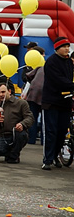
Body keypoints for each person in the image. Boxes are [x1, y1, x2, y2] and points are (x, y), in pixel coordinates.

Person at [41, 37, 74, 170]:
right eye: (64, 46)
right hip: (51, 102)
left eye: (68, 46)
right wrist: (72, 85)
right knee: (51, 131)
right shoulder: (51, 62)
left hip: (65, 102)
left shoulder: (69, 62)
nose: (67, 49)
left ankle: (55, 155)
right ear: (57, 48)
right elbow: (58, 80)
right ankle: (47, 159)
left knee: (62, 132)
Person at [0, 83, 34, 164]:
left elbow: (30, 117)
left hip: (17, 134)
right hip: (2, 136)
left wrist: (22, 124)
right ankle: (11, 152)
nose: (1, 95)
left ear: (9, 91)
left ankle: (14, 155)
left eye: (3, 92)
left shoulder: (21, 103)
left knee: (21, 135)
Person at [24, 46, 45, 145]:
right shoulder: (47, 66)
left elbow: (28, 76)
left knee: (33, 116)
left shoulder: (38, 67)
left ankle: (31, 139)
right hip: (45, 94)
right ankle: (43, 140)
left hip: (33, 94)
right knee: (45, 118)